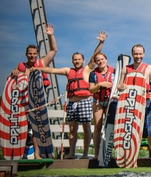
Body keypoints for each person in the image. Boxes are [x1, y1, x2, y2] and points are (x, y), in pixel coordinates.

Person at [37, 32, 105, 159]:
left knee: (86, 128)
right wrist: (37, 69)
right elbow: (52, 70)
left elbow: (95, 56)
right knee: (72, 129)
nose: (77, 61)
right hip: (72, 103)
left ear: (83, 60)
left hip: (84, 101)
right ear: (72, 61)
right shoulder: (68, 71)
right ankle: (72, 153)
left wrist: (100, 43)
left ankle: (85, 154)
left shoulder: (87, 69)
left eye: (79, 59)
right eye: (75, 59)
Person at [10, 23, 58, 159]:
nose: (32, 56)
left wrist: (51, 35)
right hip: (22, 102)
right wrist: (14, 72)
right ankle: (21, 154)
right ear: (26, 54)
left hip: (37, 102)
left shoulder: (41, 63)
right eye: (30, 54)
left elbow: (54, 50)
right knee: (23, 128)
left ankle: (37, 154)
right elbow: (10, 80)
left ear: (37, 55)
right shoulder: (21, 66)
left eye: (34, 54)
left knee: (37, 128)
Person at [122, 44, 151, 168]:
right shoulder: (126, 69)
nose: (138, 56)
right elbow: (119, 85)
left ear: (143, 54)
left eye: (140, 54)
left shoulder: (149, 68)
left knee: (149, 131)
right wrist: (121, 87)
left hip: (145, 102)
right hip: (130, 103)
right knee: (132, 132)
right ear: (132, 54)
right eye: (136, 54)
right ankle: (134, 159)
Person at [87, 31, 112, 160]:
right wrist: (100, 84)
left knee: (110, 127)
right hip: (97, 102)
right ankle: (96, 154)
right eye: (98, 60)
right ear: (96, 62)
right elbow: (91, 90)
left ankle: (109, 153)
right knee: (97, 127)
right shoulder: (93, 73)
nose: (100, 61)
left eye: (102, 59)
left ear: (106, 60)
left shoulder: (115, 71)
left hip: (110, 101)